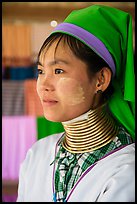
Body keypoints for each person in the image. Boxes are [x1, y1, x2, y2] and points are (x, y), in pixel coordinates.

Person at [16, 4, 135, 202]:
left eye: (58, 71)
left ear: (101, 79)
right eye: (40, 71)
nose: (43, 85)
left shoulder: (126, 169)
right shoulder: (37, 154)